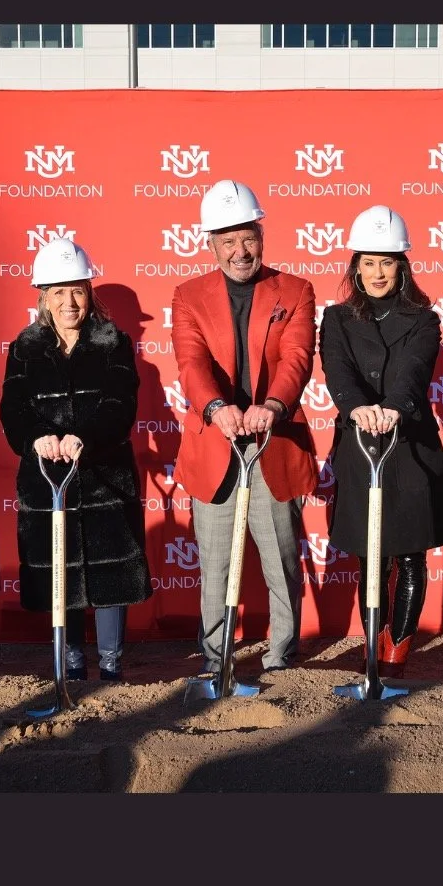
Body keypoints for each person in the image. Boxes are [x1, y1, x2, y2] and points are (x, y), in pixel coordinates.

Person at [171, 179, 319, 676]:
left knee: (280, 562)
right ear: (211, 245)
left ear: (262, 236)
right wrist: (215, 409)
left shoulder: (295, 290)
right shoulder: (188, 295)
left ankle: (281, 660)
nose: (240, 251)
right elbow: (190, 363)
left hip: (271, 445)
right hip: (215, 449)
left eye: (247, 238)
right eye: (228, 241)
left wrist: (273, 406)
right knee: (214, 567)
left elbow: (297, 358)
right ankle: (216, 663)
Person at [0, 236, 152, 682]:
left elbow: (120, 404)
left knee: (110, 572)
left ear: (90, 293)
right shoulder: (24, 348)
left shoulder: (114, 343)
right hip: (46, 479)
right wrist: (38, 438)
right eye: (59, 291)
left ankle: (110, 666)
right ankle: (69, 665)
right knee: (57, 574)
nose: (69, 301)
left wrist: (83, 437)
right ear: (43, 297)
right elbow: (13, 409)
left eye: (78, 290)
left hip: (105, 477)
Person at [319, 204, 443, 676]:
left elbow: (416, 371)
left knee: (410, 553)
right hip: (360, 445)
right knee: (371, 556)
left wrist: (394, 408)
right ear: (356, 265)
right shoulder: (336, 318)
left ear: (403, 265)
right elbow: (337, 369)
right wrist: (356, 407)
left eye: (388, 261)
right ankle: (371, 654)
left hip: (410, 446)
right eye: (369, 261)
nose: (378, 272)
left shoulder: (424, 319)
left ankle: (397, 656)